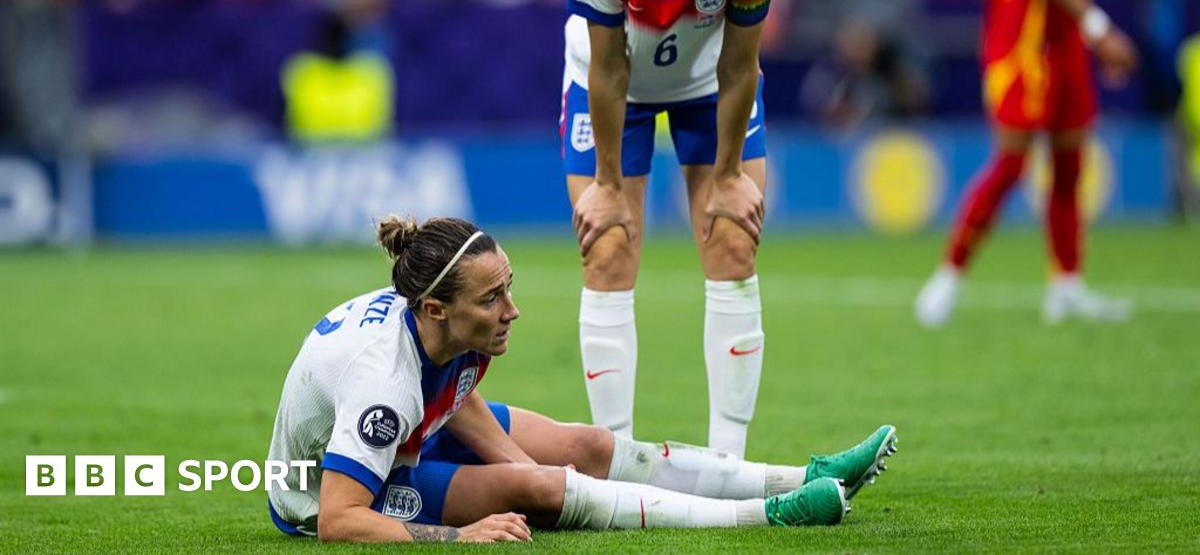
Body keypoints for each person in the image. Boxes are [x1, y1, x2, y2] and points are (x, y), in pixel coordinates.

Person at [265, 216, 898, 543]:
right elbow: (337, 521)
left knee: (590, 448)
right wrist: (457, 537)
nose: (511, 309)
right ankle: (767, 516)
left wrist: (538, 476)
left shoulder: (441, 319)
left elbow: (446, 394)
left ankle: (807, 476)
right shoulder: (384, 383)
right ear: (439, 310)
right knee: (536, 489)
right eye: (492, 299)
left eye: (508, 287)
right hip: (335, 491)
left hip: (407, 436)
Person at [562, 0, 779, 457]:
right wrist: (608, 185)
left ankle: (728, 460)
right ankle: (618, 459)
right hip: (612, 88)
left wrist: (730, 174)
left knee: (733, 242)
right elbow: (609, 72)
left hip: (710, 84)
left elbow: (741, 68)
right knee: (607, 246)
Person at [914, 0, 1139, 328]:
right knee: (1012, 164)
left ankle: (1067, 287)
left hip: (1066, 46)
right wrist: (1099, 28)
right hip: (1021, 45)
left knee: (1069, 163)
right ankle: (947, 277)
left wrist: (1083, 35)